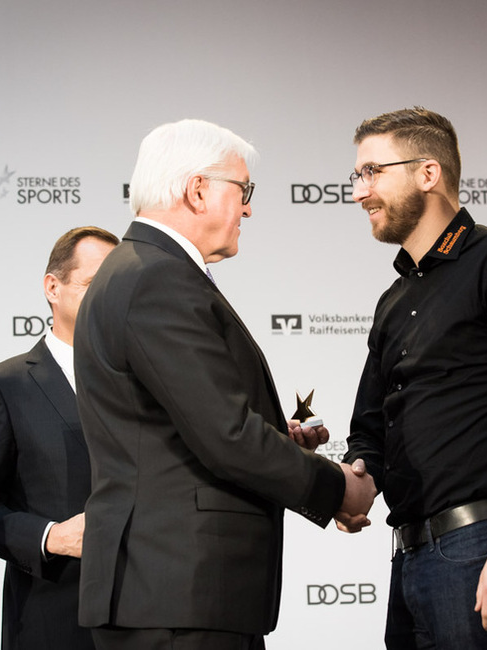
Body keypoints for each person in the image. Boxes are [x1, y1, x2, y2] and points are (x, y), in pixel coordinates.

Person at [73, 118, 375, 650]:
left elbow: (184, 422)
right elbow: (226, 435)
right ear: (197, 190)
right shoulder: (156, 277)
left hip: (170, 590)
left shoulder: (140, 270)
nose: (250, 208)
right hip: (179, 591)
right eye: (244, 191)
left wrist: (274, 437)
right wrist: (337, 490)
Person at [339, 108, 487, 649]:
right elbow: (370, 427)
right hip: (409, 556)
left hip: (486, 550)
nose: (358, 192)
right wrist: (351, 484)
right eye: (357, 175)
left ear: (428, 173)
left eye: (373, 172)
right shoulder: (392, 301)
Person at [0, 226, 119, 649]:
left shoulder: (151, 383)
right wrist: (50, 536)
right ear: (52, 287)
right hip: (54, 618)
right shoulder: (2, 385)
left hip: (148, 617)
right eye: (94, 284)